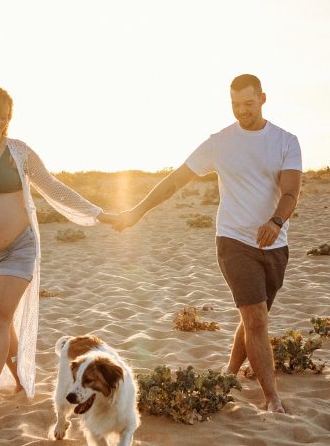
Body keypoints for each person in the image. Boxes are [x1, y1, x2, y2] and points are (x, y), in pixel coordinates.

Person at [113, 74, 302, 413]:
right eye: (235, 104)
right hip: (234, 240)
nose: (241, 111)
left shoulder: (286, 141)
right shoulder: (219, 143)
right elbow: (175, 181)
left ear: (262, 99)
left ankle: (229, 372)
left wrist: (276, 222)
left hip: (275, 244)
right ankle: (272, 398)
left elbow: (290, 192)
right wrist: (137, 211)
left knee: (253, 318)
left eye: (248, 103)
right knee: (256, 318)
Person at [0, 87, 117, 419]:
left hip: (18, 248)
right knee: (1, 323)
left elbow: (52, 186)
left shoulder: (18, 152)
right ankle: (19, 380)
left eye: (4, 117)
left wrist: (98, 214)